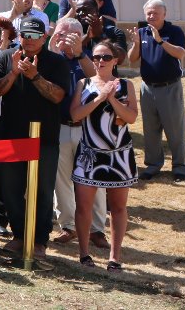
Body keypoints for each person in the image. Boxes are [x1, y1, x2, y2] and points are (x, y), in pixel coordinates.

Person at [0, 19, 70, 262]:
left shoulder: (57, 62)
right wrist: (15, 72)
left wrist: (35, 76)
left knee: (43, 191)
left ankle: (39, 241)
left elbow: (58, 96)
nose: (29, 39)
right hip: (10, 136)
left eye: (35, 35)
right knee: (11, 190)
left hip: (44, 138)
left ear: (45, 37)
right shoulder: (6, 57)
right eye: (25, 34)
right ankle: (19, 235)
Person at [69, 40, 138, 273]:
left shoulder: (126, 85)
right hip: (89, 154)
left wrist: (111, 99)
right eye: (96, 57)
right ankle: (84, 254)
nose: (100, 61)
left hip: (119, 156)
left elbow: (131, 118)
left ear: (115, 60)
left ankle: (115, 257)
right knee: (83, 207)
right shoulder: (84, 83)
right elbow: (76, 114)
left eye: (105, 57)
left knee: (118, 208)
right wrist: (99, 98)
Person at [48, 17, 108, 247]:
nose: (63, 39)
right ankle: (68, 226)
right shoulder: (54, 59)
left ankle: (96, 229)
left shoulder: (94, 57)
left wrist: (80, 53)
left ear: (80, 36)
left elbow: (100, 79)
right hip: (61, 126)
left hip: (87, 128)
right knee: (61, 180)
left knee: (94, 178)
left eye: (69, 35)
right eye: (60, 34)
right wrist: (53, 49)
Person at [129, 0, 185, 181]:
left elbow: (180, 53)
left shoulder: (174, 31)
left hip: (169, 87)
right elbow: (132, 59)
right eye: (148, 13)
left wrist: (160, 41)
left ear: (164, 14)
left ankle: (180, 166)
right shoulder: (142, 32)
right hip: (148, 88)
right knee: (150, 128)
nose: (151, 16)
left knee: (174, 128)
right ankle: (153, 165)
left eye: (155, 13)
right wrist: (137, 44)